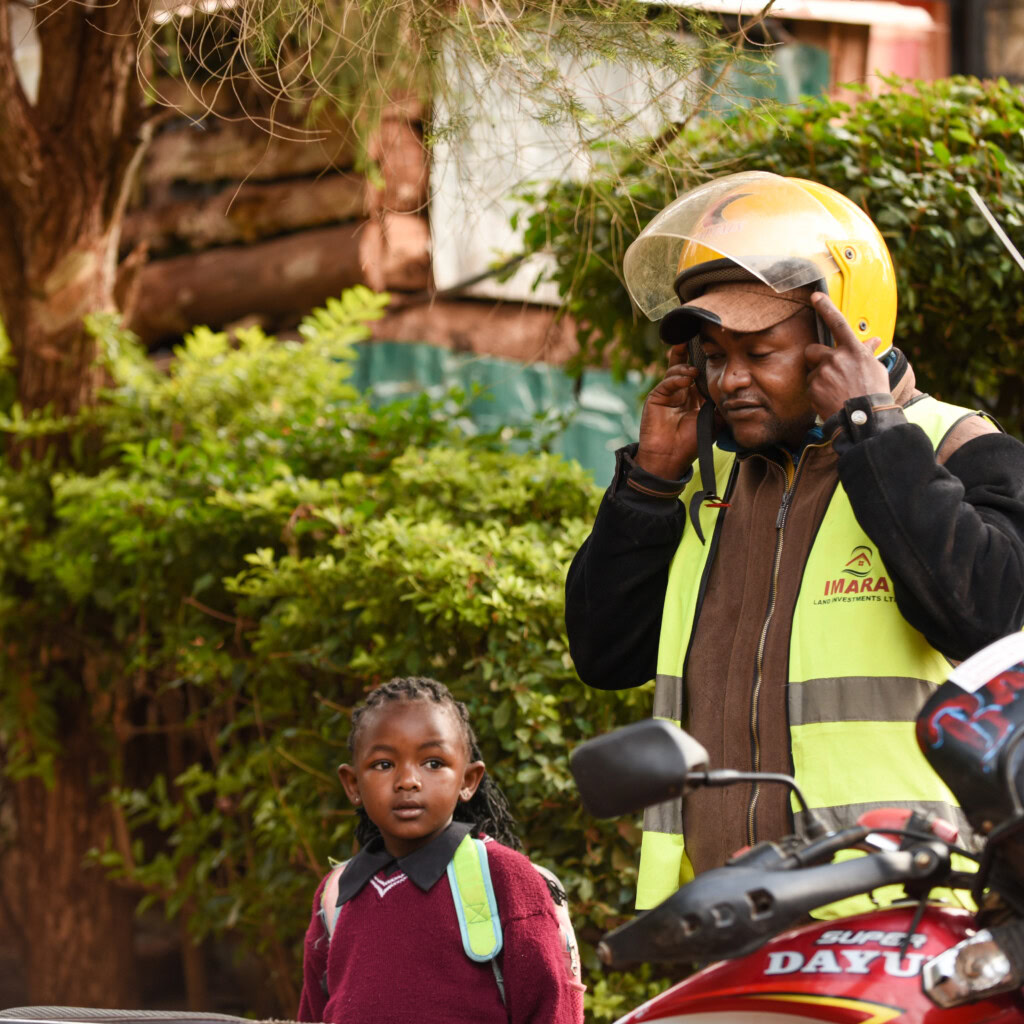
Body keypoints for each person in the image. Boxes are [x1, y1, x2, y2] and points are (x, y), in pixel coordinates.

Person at [565, 171, 1024, 911]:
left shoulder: (957, 449)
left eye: (758, 350)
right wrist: (649, 482)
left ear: (844, 337)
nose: (730, 380)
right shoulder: (708, 483)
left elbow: (991, 621)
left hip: (908, 920)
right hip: (727, 922)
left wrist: (870, 429)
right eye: (714, 355)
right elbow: (605, 654)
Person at [297, 676, 583, 1024]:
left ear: (468, 781)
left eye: (433, 763)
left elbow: (552, 1011)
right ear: (353, 784)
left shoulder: (505, 877)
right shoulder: (336, 893)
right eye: (384, 764)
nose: (408, 780)